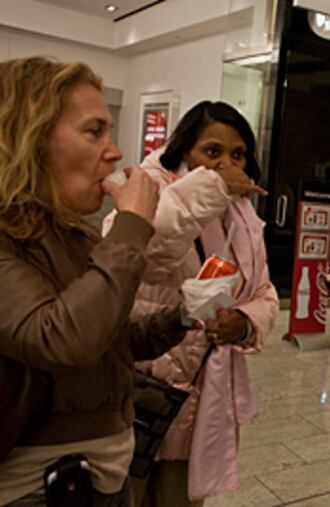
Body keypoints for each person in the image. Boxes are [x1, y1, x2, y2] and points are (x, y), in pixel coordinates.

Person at [0, 56, 198, 506]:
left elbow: (107, 335)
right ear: (29, 138)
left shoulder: (73, 233)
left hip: (105, 479)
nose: (113, 151)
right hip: (38, 491)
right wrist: (130, 223)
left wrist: (182, 316)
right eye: (94, 131)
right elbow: (61, 339)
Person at [103, 101, 279, 507]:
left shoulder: (242, 213)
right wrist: (211, 189)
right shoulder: (149, 186)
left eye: (238, 154)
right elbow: (146, 256)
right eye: (212, 151)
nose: (226, 164)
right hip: (143, 386)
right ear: (185, 150)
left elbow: (263, 291)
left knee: (179, 499)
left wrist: (244, 322)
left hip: (202, 397)